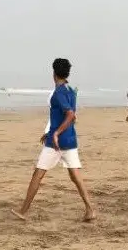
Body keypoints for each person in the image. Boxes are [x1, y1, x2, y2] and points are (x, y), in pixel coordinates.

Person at [11, 58, 95, 222]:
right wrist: (50, 131)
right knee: (75, 176)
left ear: (54, 73)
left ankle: (23, 210)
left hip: (57, 143)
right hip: (70, 140)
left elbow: (70, 115)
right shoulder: (71, 90)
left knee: (38, 174)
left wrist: (55, 134)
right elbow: (69, 116)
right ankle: (90, 209)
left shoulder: (59, 93)